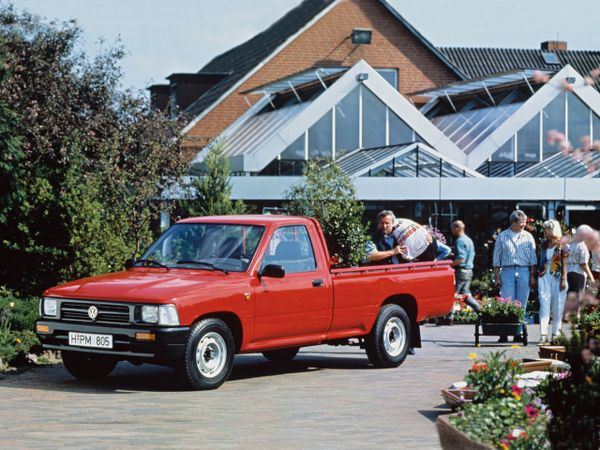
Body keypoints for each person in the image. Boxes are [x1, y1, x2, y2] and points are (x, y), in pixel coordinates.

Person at [492, 210, 537, 343]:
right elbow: (496, 258)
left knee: (522, 301)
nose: (523, 225)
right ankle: (504, 333)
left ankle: (518, 332)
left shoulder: (528, 237)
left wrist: (532, 275)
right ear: (513, 222)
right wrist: (497, 277)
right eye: (521, 223)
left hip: (524, 270)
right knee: (507, 301)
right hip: (507, 270)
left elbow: (533, 258)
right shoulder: (502, 236)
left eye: (524, 222)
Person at [537, 220, 569, 344]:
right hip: (544, 275)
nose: (544, 231)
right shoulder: (544, 243)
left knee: (558, 305)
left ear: (552, 230)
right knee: (544, 304)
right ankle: (543, 335)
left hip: (558, 275)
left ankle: (556, 334)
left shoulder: (562, 245)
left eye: (546, 229)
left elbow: (565, 264)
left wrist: (564, 279)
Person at [565, 225, 596, 318]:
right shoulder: (582, 245)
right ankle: (577, 316)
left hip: (569, 272)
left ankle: (566, 315)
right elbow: (583, 264)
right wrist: (591, 277)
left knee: (569, 294)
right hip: (579, 273)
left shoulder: (570, 243)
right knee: (579, 296)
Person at [451, 220, 475, 302]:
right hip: (469, 271)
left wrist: (449, 265)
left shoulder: (460, 241)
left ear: (457, 228)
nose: (452, 230)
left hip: (461, 272)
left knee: (454, 294)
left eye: (452, 228)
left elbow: (461, 259)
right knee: (466, 294)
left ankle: (451, 314)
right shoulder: (469, 240)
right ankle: (480, 310)